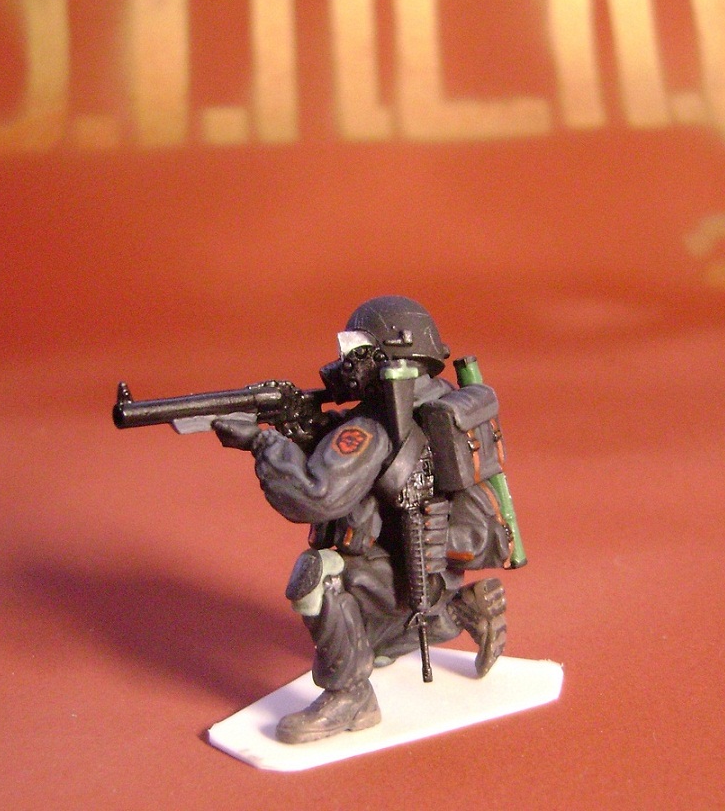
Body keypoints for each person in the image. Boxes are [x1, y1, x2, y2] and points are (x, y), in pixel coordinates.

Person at [212, 296, 515, 744]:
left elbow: (314, 497)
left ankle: (350, 696)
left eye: (356, 349)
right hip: (428, 570)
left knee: (319, 576)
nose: (345, 361)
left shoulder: (374, 426)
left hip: (400, 571)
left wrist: (263, 444)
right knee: (368, 644)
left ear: (386, 352)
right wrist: (308, 430)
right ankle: (454, 611)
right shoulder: (439, 404)